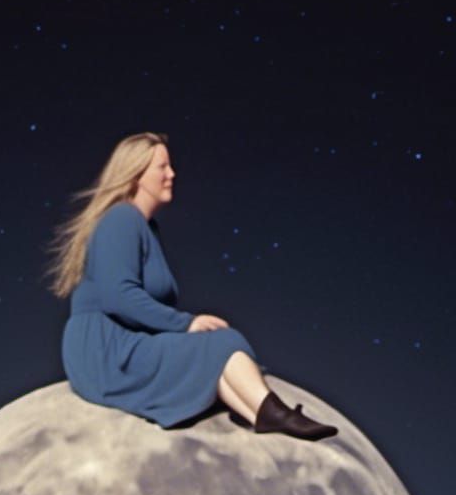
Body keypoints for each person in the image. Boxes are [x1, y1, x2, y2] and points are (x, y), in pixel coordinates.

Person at [46, 131, 337, 441]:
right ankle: (274, 412)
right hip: (106, 350)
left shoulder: (146, 228)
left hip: (122, 340)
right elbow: (119, 296)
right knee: (223, 341)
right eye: (162, 167)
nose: (172, 174)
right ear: (136, 175)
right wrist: (187, 323)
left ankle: (261, 415)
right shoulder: (121, 219)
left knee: (216, 348)